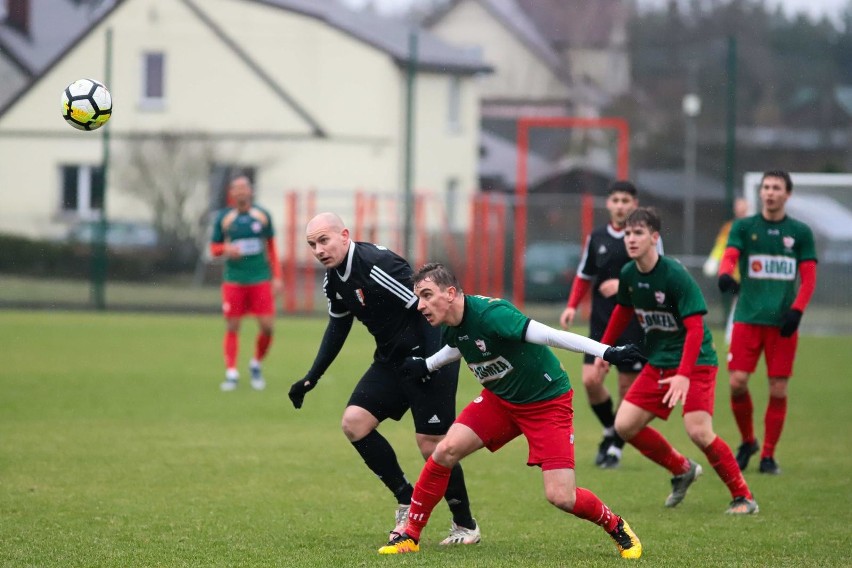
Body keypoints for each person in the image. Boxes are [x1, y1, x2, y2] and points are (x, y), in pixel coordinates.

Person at [378, 263, 646, 558]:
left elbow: (550, 335)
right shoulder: (452, 324)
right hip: (501, 401)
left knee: (561, 496)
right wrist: (428, 365)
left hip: (547, 403)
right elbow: (459, 347)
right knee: (445, 451)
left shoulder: (493, 315)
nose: (421, 305)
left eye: (427, 295)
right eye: (419, 298)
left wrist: (606, 351)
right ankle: (410, 535)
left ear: (451, 293)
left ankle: (616, 525)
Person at [287, 213, 480, 546]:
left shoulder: (376, 265)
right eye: (311, 245)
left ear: (344, 235)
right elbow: (338, 327)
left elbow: (426, 306)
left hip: (430, 354)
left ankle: (465, 526)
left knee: (432, 446)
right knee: (354, 422)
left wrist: (430, 363)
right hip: (392, 361)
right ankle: (406, 498)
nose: (318, 250)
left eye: (324, 240)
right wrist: (312, 377)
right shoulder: (333, 280)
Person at [594, 207, 758, 515]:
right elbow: (622, 312)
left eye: (639, 233)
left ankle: (744, 497)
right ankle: (682, 470)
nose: (631, 238)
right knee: (624, 425)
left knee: (698, 430)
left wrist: (684, 374)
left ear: (654, 238)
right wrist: (604, 350)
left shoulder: (674, 274)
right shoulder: (629, 274)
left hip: (695, 361)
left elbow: (696, 328)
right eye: (628, 233)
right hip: (660, 361)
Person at [717, 170, 817, 475]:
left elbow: (809, 278)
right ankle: (748, 441)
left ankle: (769, 456)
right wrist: (725, 273)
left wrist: (797, 311)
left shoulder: (800, 232)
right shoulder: (745, 227)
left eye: (776, 188)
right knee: (736, 383)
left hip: (782, 323)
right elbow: (730, 255)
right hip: (748, 318)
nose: (770, 192)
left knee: (778, 389)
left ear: (787, 194)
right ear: (760, 193)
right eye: (766, 187)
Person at [559, 180, 657, 469]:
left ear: (634, 203)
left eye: (626, 200)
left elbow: (656, 277)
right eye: (615, 200)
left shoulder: (646, 237)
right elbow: (584, 275)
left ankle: (615, 445)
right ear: (608, 204)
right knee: (591, 380)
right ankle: (611, 429)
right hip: (602, 322)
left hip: (636, 322)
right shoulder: (598, 237)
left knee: (627, 388)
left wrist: (624, 285)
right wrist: (571, 306)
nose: (620, 206)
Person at [209, 175, 282, 391]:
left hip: (260, 278)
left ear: (250, 192)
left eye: (244, 188)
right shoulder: (224, 218)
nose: (240, 192)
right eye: (236, 189)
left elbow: (272, 248)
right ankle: (231, 372)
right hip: (234, 280)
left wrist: (277, 277)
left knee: (268, 328)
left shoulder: (262, 216)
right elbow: (214, 249)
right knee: (233, 325)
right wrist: (226, 250)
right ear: (231, 193)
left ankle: (256, 364)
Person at [702, 197, 749, 341]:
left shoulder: (752, 226)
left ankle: (736, 333)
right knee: (739, 302)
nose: (740, 209)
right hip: (735, 274)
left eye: (742, 206)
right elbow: (721, 246)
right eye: (738, 206)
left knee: (742, 303)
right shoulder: (729, 227)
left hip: (750, 273)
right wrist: (713, 260)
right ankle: (732, 333)